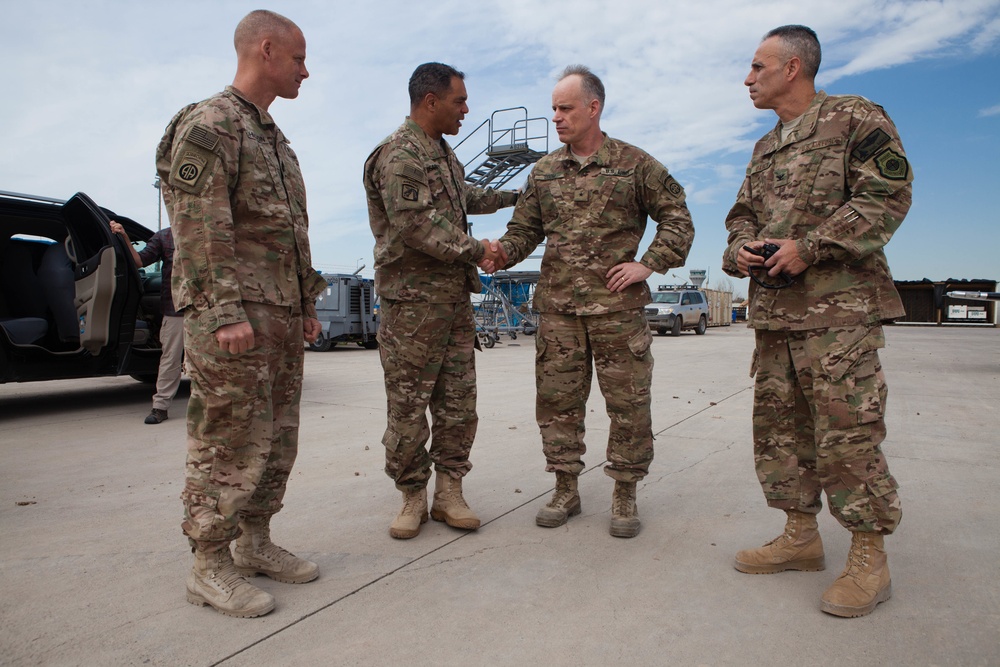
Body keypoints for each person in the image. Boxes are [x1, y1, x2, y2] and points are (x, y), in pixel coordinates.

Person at [723, 25, 910, 618]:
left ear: (793, 68)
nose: (747, 78)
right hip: (777, 320)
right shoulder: (764, 147)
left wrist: (811, 245)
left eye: (758, 66)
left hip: (840, 316)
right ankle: (800, 537)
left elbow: (887, 195)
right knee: (782, 435)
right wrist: (741, 249)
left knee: (847, 436)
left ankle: (869, 559)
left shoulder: (854, 117)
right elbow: (738, 218)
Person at [154, 9, 328, 618]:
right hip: (234, 315)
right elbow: (201, 228)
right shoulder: (212, 124)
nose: (306, 70)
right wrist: (225, 310)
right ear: (266, 50)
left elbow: (290, 233)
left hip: (278, 313)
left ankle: (255, 542)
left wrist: (306, 304)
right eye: (299, 58)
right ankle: (209, 563)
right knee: (227, 436)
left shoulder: (273, 139)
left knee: (277, 436)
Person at [493, 65, 694, 538]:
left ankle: (625, 490)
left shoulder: (636, 164)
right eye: (553, 109)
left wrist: (649, 263)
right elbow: (524, 231)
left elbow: (678, 220)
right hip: (560, 312)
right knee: (558, 403)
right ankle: (566, 487)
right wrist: (499, 253)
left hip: (617, 312)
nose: (557, 118)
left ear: (593, 107)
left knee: (628, 404)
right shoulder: (543, 172)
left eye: (565, 108)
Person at [363, 62, 517, 540]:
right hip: (412, 306)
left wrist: (515, 196)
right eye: (459, 101)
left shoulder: (444, 154)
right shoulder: (399, 154)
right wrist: (480, 250)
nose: (466, 110)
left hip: (452, 302)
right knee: (409, 406)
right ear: (431, 101)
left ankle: (450, 491)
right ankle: (412, 496)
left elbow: (461, 198)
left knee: (457, 403)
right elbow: (417, 226)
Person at [110, 222, 182, 425]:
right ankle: (160, 407)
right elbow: (139, 261)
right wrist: (124, 236)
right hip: (176, 309)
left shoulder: (210, 232)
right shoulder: (165, 236)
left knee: (211, 361)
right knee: (170, 360)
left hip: (207, 309)